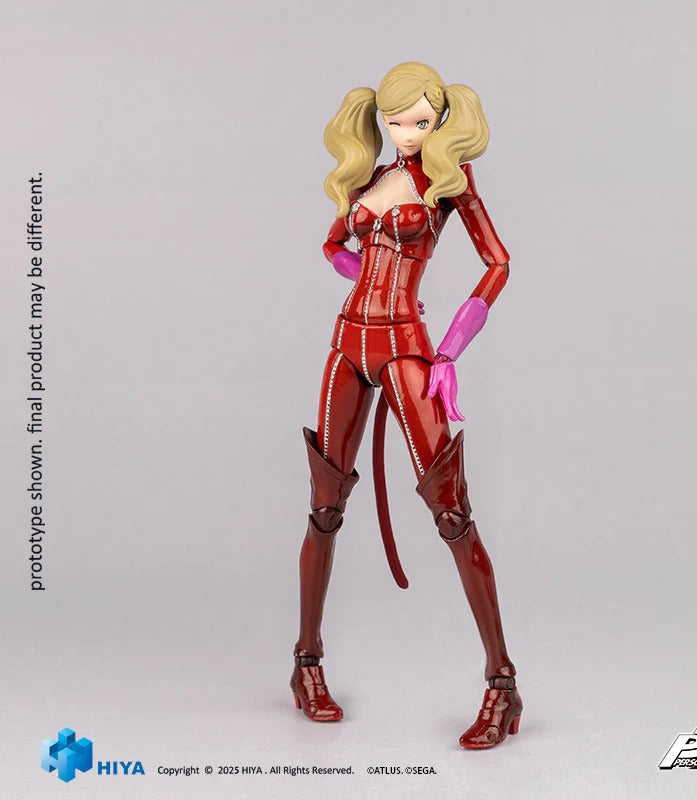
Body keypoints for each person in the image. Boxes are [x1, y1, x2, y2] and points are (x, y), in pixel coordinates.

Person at [291, 62, 521, 749]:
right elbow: (333, 245)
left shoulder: (449, 180)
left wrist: (450, 348)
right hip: (348, 343)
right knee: (324, 508)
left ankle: (502, 684)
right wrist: (359, 269)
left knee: (452, 512)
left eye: (420, 120)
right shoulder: (365, 179)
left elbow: (498, 262)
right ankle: (306, 665)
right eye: (397, 120)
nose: (408, 132)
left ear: (441, 119)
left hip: (406, 349)